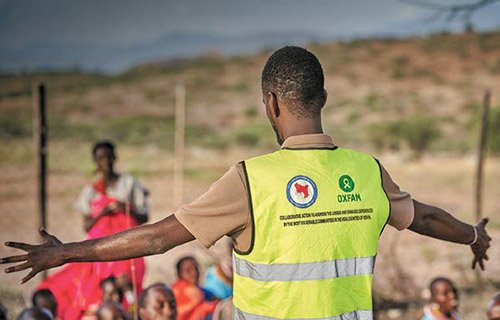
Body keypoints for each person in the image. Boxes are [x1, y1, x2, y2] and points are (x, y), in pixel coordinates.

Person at [1, 46, 492, 320]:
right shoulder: (368, 171)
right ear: (323, 98)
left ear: (271, 104)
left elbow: (157, 237)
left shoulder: (250, 179)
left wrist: (65, 252)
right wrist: (474, 235)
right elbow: (425, 217)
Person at [35, 141, 149, 319]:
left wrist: (125, 208)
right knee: (91, 284)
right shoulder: (90, 191)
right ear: (95, 161)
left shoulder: (129, 184)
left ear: (114, 157)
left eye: (108, 157)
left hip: (126, 240)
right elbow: (87, 226)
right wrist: (103, 212)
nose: (105, 161)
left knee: (127, 283)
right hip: (98, 245)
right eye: (100, 158)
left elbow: (144, 216)